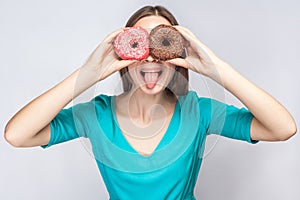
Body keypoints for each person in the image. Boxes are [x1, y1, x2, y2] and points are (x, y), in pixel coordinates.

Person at [4, 5, 297, 200]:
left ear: (176, 55)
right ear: (124, 54)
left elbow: (282, 128)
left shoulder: (199, 111)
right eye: (139, 43)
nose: (151, 56)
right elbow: (17, 134)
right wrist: (86, 75)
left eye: (162, 43)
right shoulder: (96, 114)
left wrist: (216, 67)